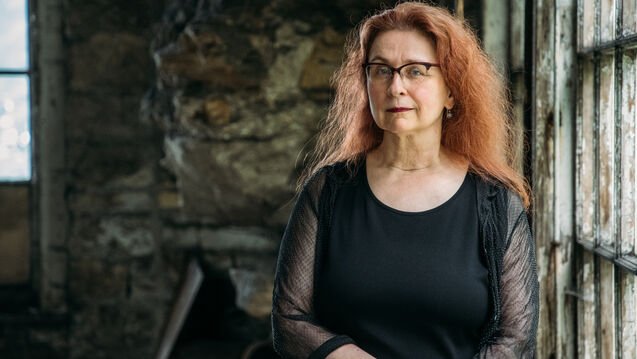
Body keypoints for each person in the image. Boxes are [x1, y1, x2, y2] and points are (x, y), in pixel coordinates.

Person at [271, 2, 539, 358]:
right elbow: (289, 320)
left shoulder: (495, 202)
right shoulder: (328, 190)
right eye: (381, 70)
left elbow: (516, 340)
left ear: (451, 90)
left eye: (416, 71)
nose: (395, 86)